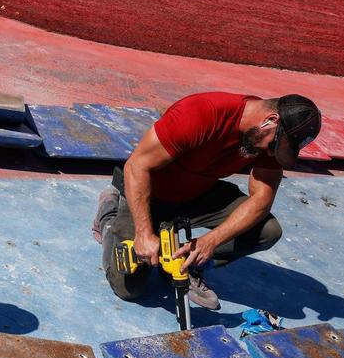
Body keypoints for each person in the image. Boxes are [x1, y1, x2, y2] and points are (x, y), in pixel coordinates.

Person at [96, 92, 321, 309]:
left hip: (198, 193)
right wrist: (144, 233)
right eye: (274, 146)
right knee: (129, 288)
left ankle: (185, 261)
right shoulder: (202, 113)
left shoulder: (266, 140)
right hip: (151, 194)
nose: (270, 153)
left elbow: (262, 199)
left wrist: (211, 241)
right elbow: (137, 166)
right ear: (270, 121)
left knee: (267, 231)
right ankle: (109, 215)